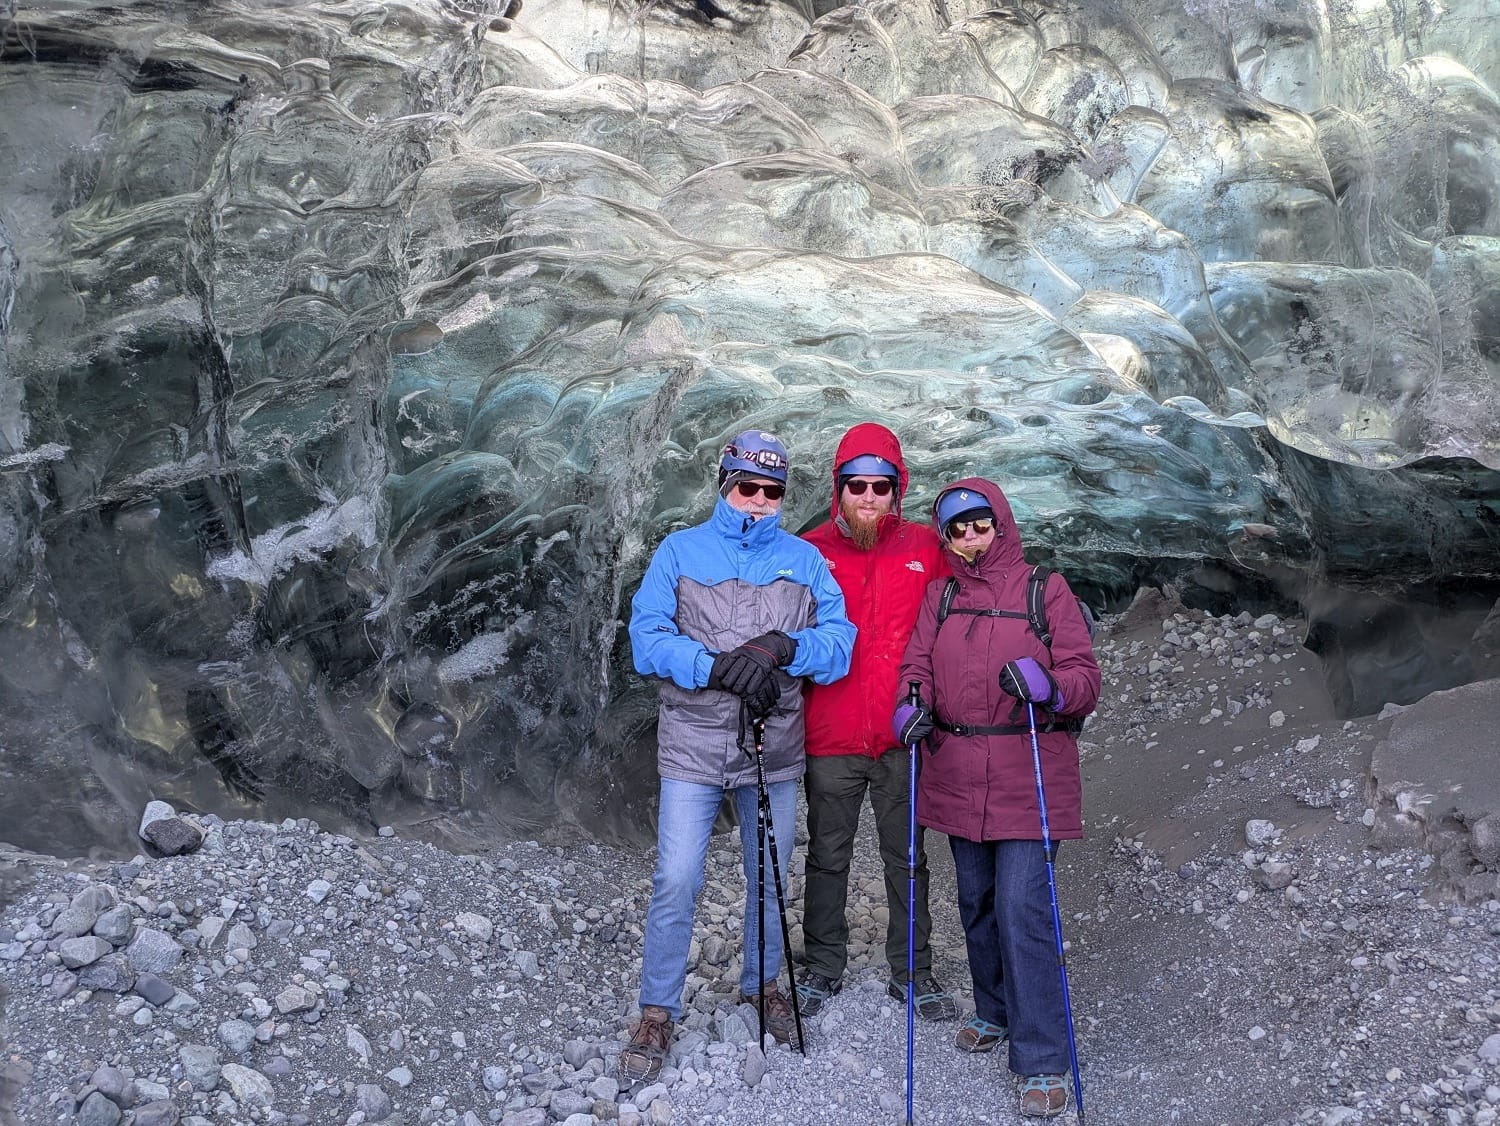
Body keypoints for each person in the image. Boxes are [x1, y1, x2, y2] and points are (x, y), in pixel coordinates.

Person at [618, 429, 856, 1084]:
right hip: (695, 742)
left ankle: (763, 986)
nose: (758, 501)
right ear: (725, 483)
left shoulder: (805, 561)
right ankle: (657, 1009)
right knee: (677, 876)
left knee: (770, 875)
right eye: (747, 487)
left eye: (771, 491)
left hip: (772, 743)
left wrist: (784, 647)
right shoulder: (679, 551)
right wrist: (713, 665)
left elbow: (838, 642)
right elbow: (646, 637)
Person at [893, 478, 1101, 1119]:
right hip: (956, 768)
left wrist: (1049, 685)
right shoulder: (941, 593)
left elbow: (1085, 678)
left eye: (979, 524)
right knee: (976, 901)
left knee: (1022, 909)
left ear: (1000, 523)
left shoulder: (1046, 588)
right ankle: (994, 1010)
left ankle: (1042, 1057)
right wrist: (912, 703)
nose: (968, 537)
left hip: (1027, 769)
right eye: (955, 529)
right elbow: (916, 665)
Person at [797, 423, 958, 1021]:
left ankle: (913, 973)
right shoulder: (807, 551)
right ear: (839, 488)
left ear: (898, 489)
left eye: (881, 486)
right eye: (856, 485)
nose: (869, 497)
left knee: (907, 856)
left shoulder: (927, 548)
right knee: (827, 855)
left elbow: (965, 618)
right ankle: (821, 968)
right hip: (830, 734)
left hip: (901, 734)